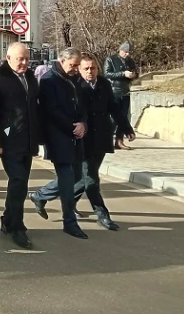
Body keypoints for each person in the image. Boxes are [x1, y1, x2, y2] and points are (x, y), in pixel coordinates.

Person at [33, 53, 131, 230]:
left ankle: (43, 196)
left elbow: (114, 108)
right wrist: (76, 126)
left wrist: (126, 127)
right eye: (85, 68)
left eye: (93, 68)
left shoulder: (103, 84)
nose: (89, 71)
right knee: (90, 179)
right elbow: (62, 109)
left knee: (80, 179)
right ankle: (102, 215)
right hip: (81, 137)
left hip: (100, 138)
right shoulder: (75, 84)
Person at [0, 43, 41, 249]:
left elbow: (35, 108)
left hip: (28, 140)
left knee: (21, 184)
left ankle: (8, 219)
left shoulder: (31, 78)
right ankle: (17, 227)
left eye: (26, 58)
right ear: (8, 58)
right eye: (19, 59)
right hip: (8, 140)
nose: (24, 63)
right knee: (18, 180)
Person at [29, 48, 89, 239]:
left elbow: (82, 105)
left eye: (77, 65)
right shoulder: (48, 80)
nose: (75, 69)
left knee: (78, 175)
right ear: (62, 61)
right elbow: (50, 110)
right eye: (72, 65)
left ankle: (40, 196)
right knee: (67, 177)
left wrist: (83, 123)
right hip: (57, 135)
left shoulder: (75, 78)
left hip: (76, 134)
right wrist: (72, 126)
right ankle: (69, 222)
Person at [105, 42, 139, 149]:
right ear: (120, 50)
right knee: (114, 118)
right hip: (113, 91)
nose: (127, 54)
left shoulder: (130, 61)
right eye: (126, 52)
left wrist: (133, 75)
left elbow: (136, 73)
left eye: (129, 52)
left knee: (123, 118)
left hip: (125, 92)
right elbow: (107, 73)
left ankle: (119, 141)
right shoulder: (110, 59)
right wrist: (123, 73)